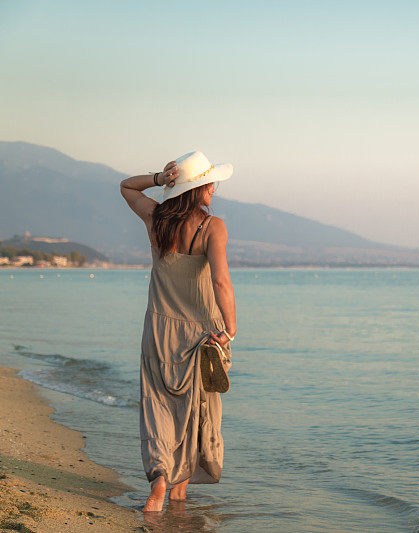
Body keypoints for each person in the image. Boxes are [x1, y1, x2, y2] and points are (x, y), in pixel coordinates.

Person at [120, 151, 237, 513]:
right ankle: (178, 499)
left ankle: (158, 482)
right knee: (194, 410)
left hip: (157, 328)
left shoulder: (156, 218)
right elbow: (220, 281)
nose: (214, 188)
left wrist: (157, 178)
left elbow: (126, 187)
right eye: (209, 182)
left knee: (158, 405)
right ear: (199, 187)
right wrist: (230, 329)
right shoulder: (212, 227)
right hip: (200, 334)